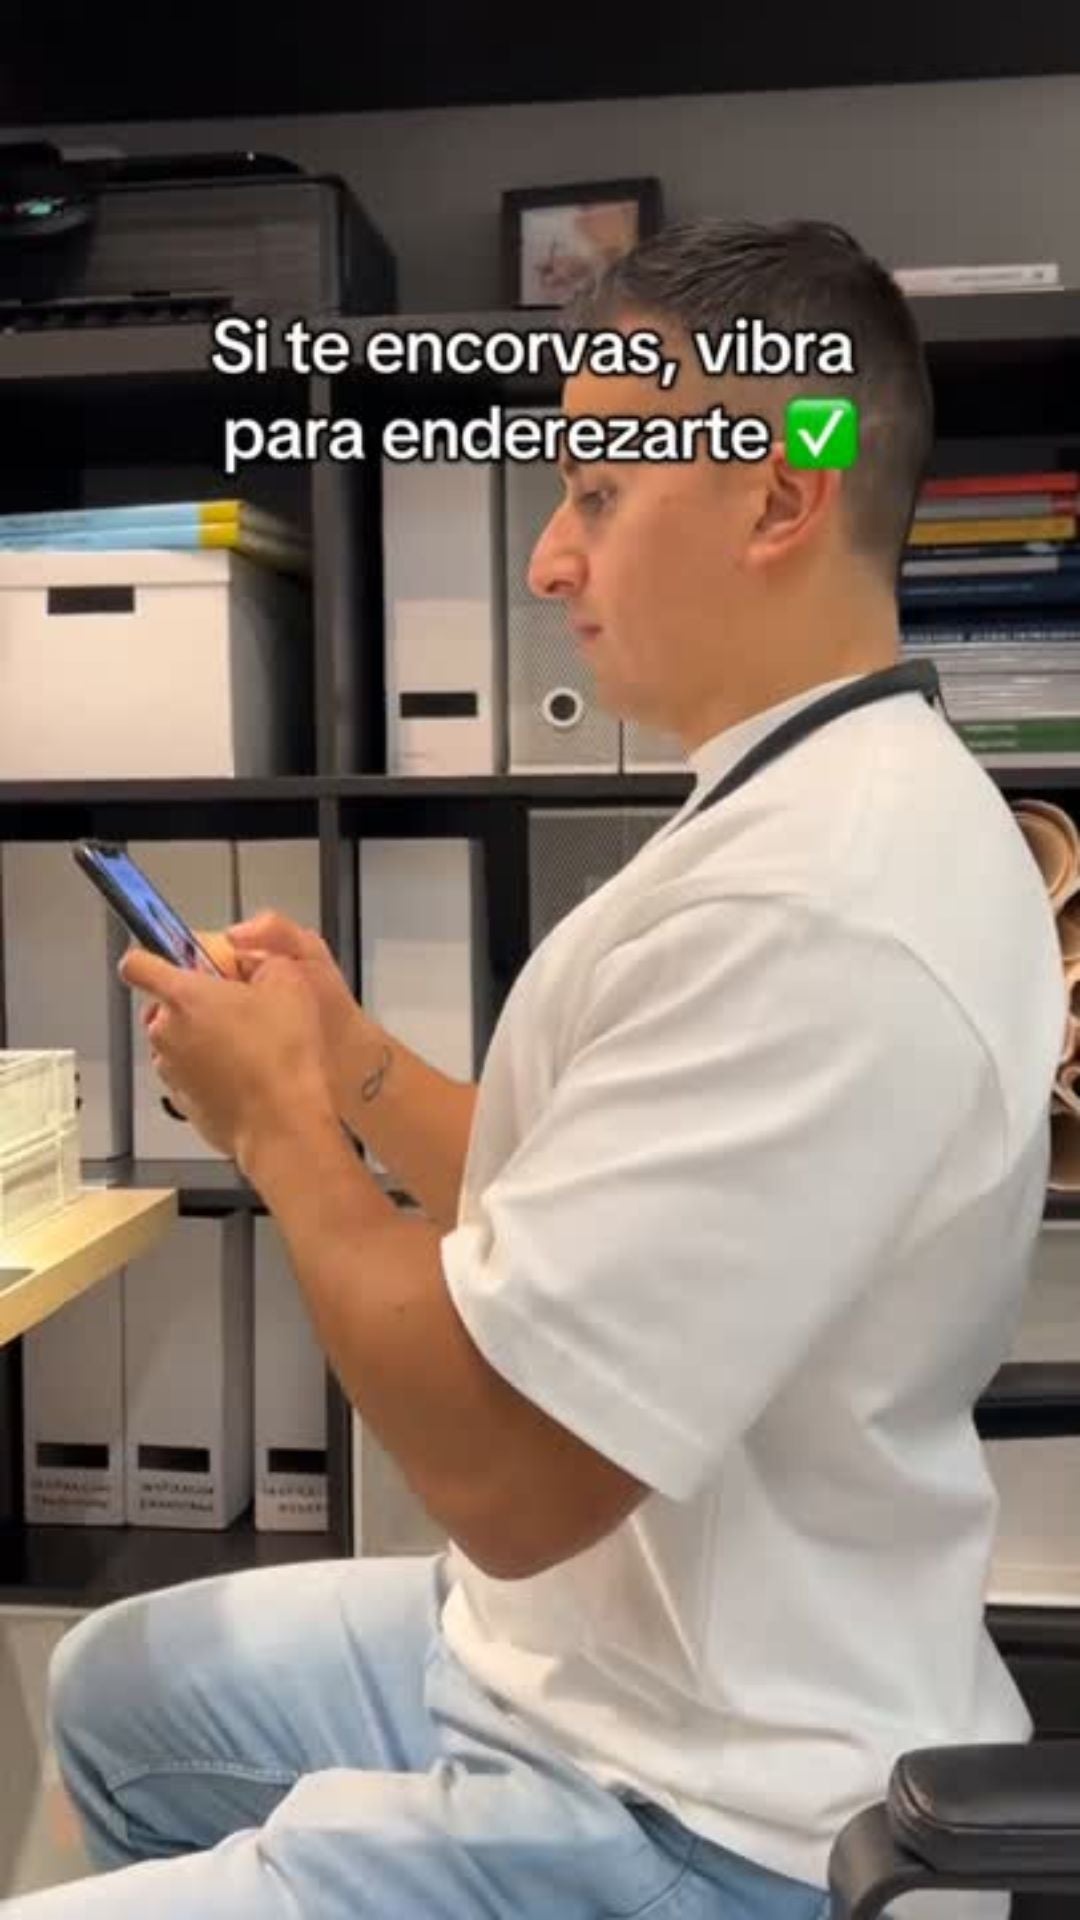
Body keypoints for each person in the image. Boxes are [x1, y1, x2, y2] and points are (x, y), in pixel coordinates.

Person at [3, 217, 1067, 1920]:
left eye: (596, 495)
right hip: (587, 1656)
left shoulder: (820, 906)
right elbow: (580, 1183)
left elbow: (507, 1477)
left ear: (781, 493)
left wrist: (280, 1128)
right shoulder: (805, 803)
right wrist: (353, 1065)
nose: (549, 563)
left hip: (696, 1806)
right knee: (114, 1691)